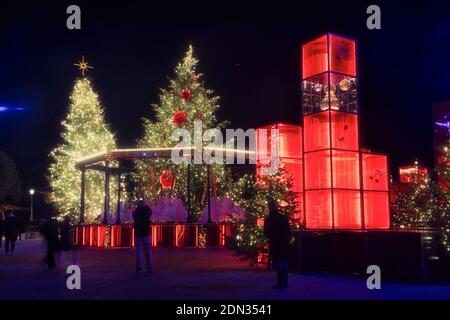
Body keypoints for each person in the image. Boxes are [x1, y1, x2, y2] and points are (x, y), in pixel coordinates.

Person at [264, 199, 292, 289]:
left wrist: (272, 236)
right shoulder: (283, 217)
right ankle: (285, 282)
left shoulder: (268, 219)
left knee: (279, 261)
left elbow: (266, 233)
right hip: (284, 242)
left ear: (269, 208)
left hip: (275, 242)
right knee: (284, 261)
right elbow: (288, 230)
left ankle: (280, 282)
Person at [132, 199, 153, 272]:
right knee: (148, 251)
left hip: (138, 234)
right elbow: (151, 211)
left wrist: (139, 206)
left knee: (138, 251)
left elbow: (133, 215)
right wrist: (145, 206)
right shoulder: (146, 212)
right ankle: (149, 266)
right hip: (146, 233)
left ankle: (139, 267)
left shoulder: (136, 212)